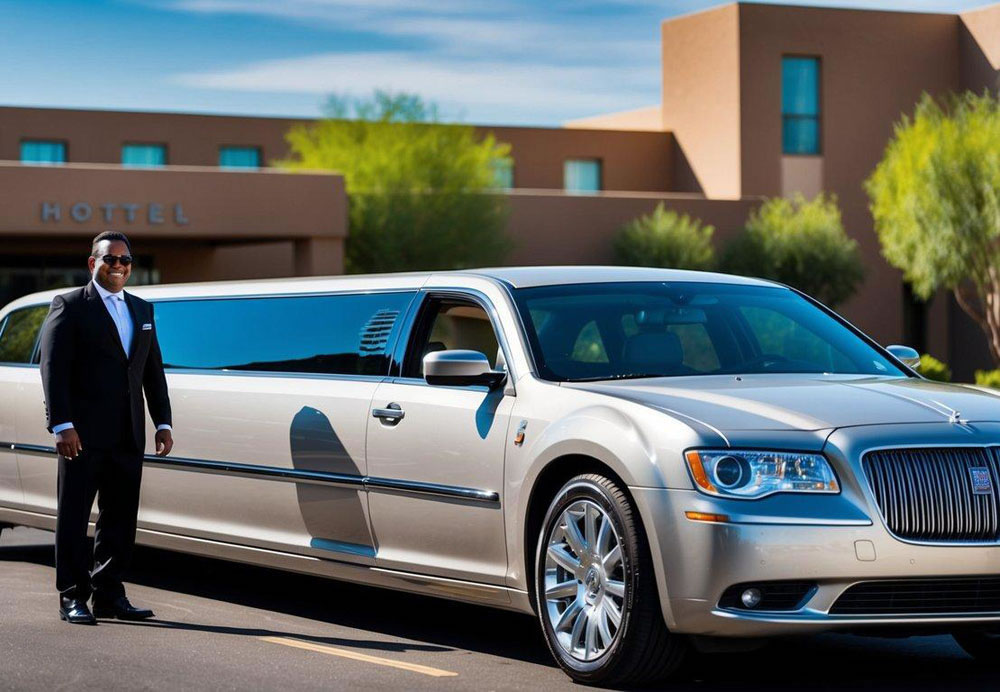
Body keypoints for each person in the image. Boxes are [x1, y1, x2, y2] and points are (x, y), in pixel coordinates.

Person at [39, 230, 173, 625]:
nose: (118, 266)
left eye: (125, 260)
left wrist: (162, 421)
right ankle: (72, 597)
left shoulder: (142, 310)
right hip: (81, 436)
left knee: (119, 519)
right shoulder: (69, 305)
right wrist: (62, 425)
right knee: (74, 517)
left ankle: (109, 594)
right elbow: (54, 369)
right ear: (92, 263)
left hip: (127, 435)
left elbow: (152, 371)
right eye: (109, 259)